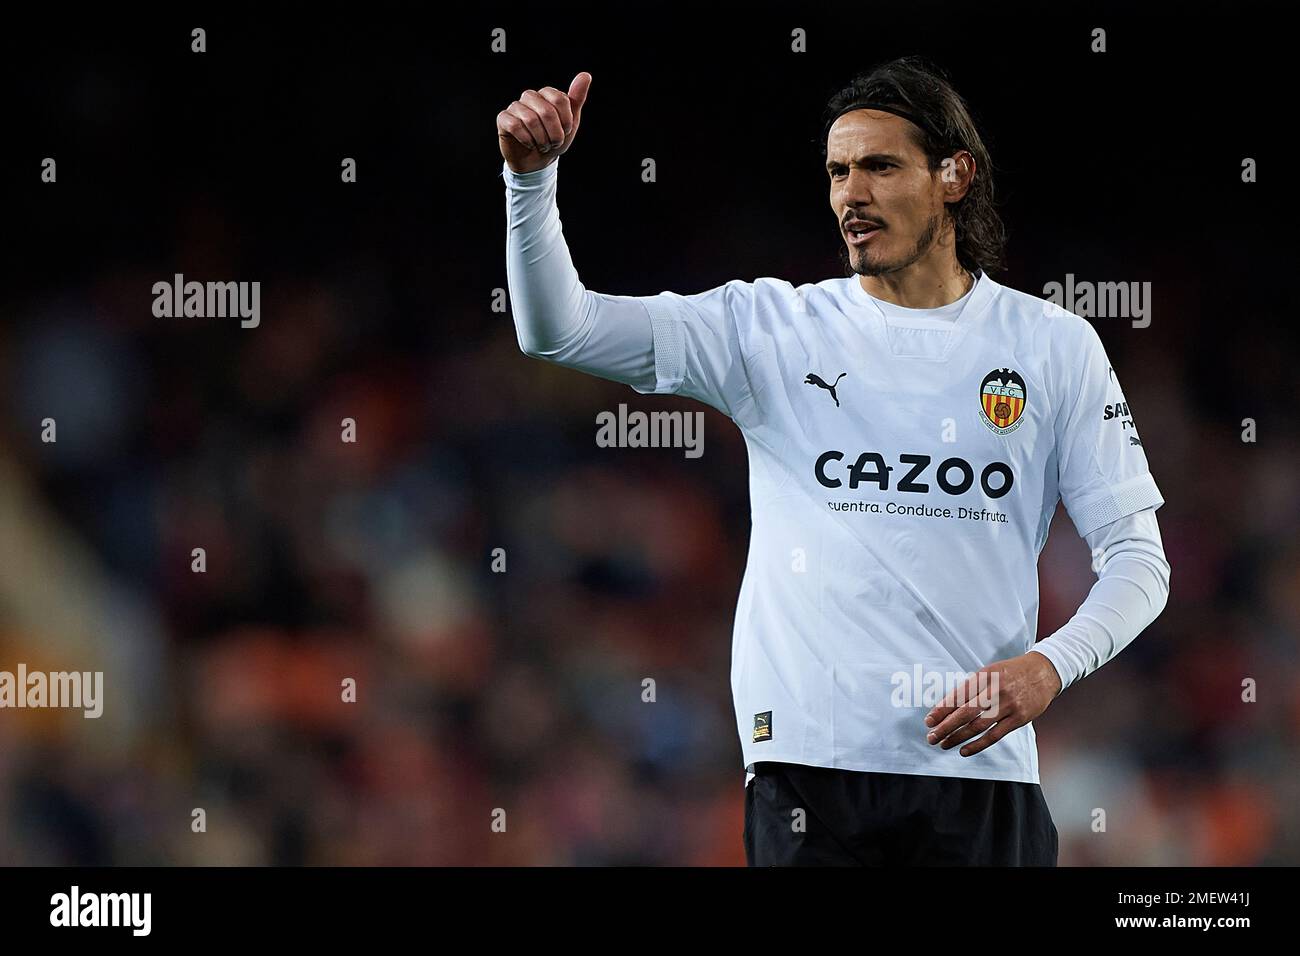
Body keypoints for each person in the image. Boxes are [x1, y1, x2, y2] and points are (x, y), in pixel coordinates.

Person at [497, 56, 1170, 866]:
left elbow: (1139, 559)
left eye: (880, 167)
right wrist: (530, 182)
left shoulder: (1053, 346)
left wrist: (1047, 669)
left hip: (978, 772)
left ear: (955, 175)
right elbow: (559, 330)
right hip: (806, 774)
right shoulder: (768, 329)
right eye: (838, 172)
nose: (851, 194)